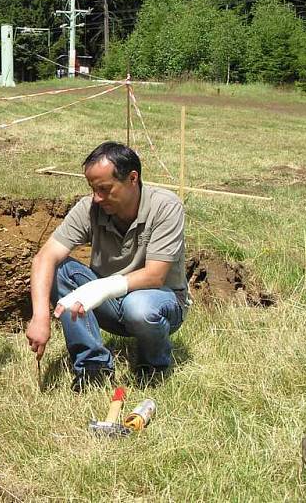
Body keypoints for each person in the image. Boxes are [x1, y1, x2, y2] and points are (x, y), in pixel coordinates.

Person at [26, 142, 188, 392]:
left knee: (138, 307)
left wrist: (99, 289)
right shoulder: (90, 208)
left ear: (132, 178)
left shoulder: (165, 206)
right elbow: (44, 258)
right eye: (93, 189)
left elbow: (155, 275)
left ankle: (152, 365)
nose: (97, 197)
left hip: (160, 301)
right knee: (59, 270)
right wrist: (40, 317)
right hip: (110, 305)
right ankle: (93, 367)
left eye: (104, 189)